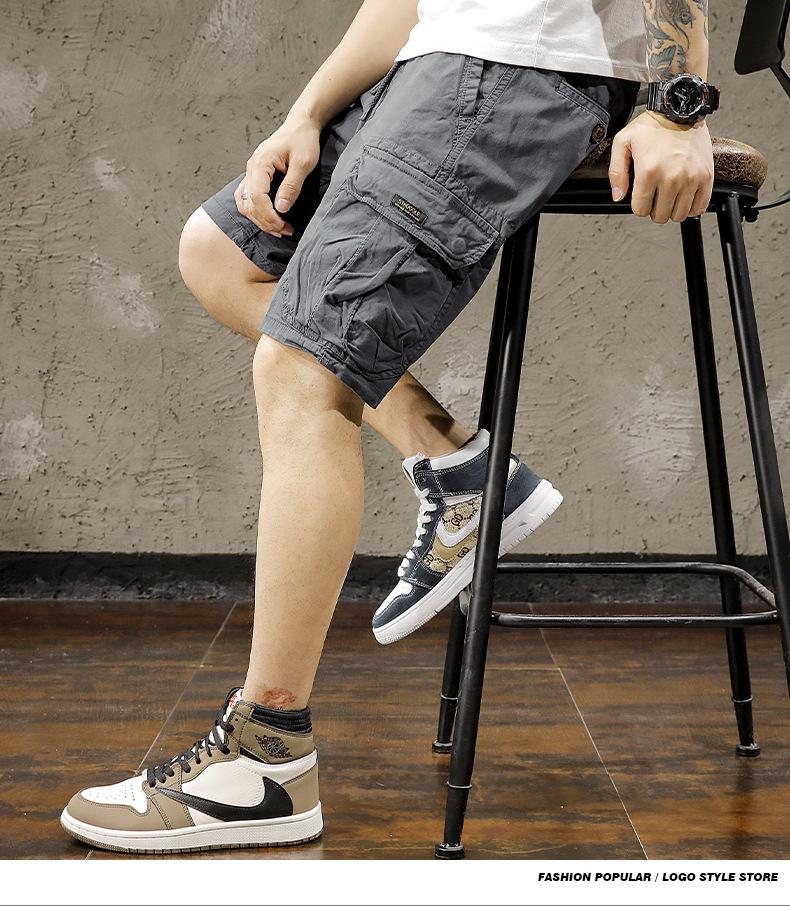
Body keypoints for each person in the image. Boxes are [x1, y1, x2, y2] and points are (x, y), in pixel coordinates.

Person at [61, 0, 715, 853]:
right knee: (219, 253)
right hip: (432, 64)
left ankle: (265, 757)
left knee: (301, 368)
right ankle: (457, 466)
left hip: (511, 72)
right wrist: (307, 113)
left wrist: (675, 105)